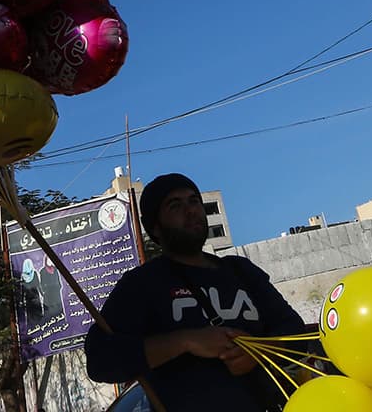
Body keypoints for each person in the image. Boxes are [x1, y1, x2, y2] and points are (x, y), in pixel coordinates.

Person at [85, 173, 311, 411]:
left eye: (194, 201)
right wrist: (187, 341)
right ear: (155, 227)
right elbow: (101, 360)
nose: (190, 210)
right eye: (175, 205)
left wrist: (258, 353)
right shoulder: (142, 284)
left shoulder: (241, 271)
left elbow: (294, 332)